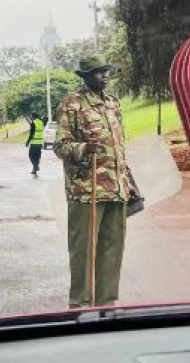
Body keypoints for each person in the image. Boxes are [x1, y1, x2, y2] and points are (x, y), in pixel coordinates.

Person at [53, 55, 134, 308]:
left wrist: (128, 180)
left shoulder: (113, 103)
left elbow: (119, 147)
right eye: (98, 72)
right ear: (85, 76)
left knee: (112, 248)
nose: (104, 75)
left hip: (116, 187)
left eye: (105, 71)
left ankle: (107, 303)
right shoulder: (72, 104)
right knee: (83, 251)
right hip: (86, 190)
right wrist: (84, 148)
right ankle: (79, 304)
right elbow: (60, 146)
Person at [25, 112, 45, 176]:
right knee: (37, 156)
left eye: (31, 116)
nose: (31, 117)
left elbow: (31, 134)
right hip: (40, 142)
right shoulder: (41, 122)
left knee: (31, 155)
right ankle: (35, 169)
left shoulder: (33, 123)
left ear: (33, 117)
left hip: (34, 143)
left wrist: (27, 142)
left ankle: (35, 166)